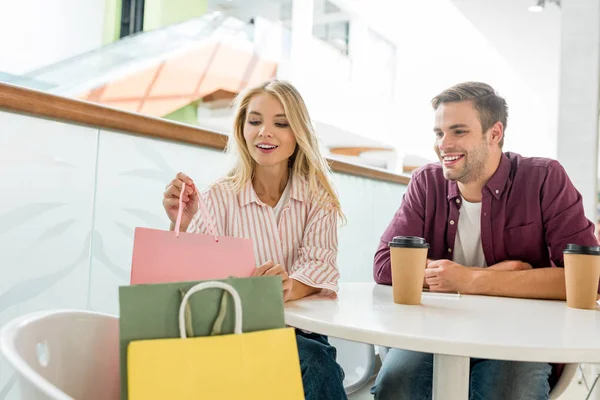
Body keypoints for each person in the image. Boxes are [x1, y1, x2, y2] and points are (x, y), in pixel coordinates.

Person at [371, 81, 598, 400]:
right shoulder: (426, 183)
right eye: (439, 133)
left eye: (458, 131)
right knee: (396, 386)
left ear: (494, 133)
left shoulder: (545, 178)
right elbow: (385, 266)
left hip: (521, 336)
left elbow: (585, 281)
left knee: (509, 393)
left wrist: (473, 280)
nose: (443, 144)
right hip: (436, 331)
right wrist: (503, 274)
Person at [162, 79, 347, 400]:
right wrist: (181, 223)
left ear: (298, 133)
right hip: (233, 333)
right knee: (315, 366)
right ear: (242, 129)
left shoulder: (319, 199)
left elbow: (320, 267)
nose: (265, 132)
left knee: (315, 362)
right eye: (255, 121)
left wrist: (286, 288)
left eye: (281, 123)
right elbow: (189, 279)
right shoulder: (219, 197)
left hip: (301, 334)